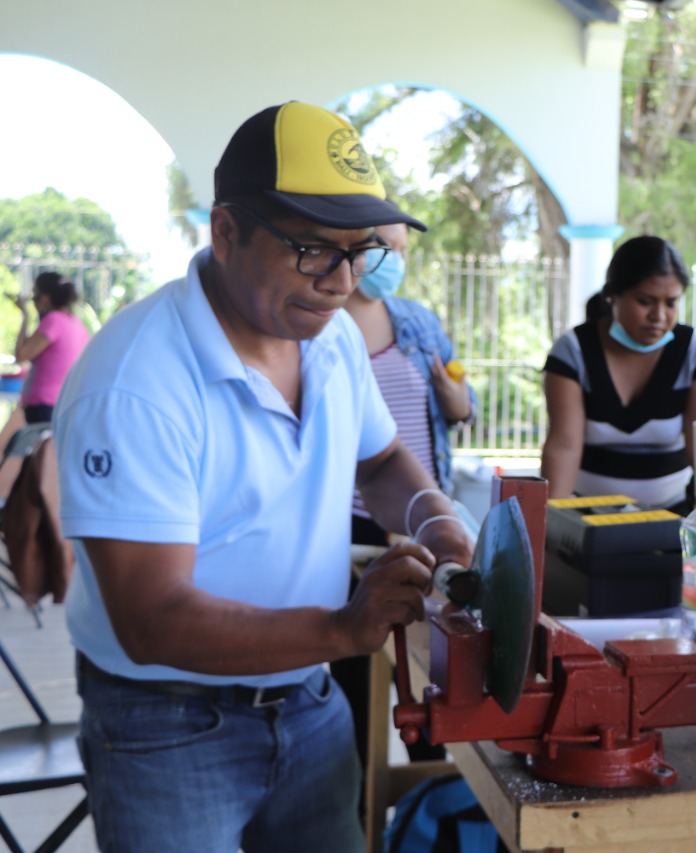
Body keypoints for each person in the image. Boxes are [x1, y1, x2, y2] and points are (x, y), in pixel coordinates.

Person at [53, 101, 473, 853]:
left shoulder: (331, 337)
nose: (342, 281)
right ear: (225, 231)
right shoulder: (137, 381)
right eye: (313, 250)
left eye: (359, 252)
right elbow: (151, 619)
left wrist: (436, 520)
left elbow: (377, 461)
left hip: (309, 703)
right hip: (167, 726)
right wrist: (345, 628)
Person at [540, 235, 696, 508]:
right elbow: (563, 446)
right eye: (645, 301)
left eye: (671, 303)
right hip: (588, 520)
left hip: (673, 517)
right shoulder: (573, 350)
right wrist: (554, 523)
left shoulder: (693, 350)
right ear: (612, 295)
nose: (659, 316)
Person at [343, 221, 475, 545]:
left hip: (422, 514)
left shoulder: (419, 321)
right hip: (348, 520)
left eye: (403, 251)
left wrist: (456, 400)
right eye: (387, 247)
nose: (396, 261)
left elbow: (463, 409)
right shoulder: (317, 327)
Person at [13, 271, 90, 424]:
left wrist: (25, 317)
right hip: (64, 402)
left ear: (45, 298)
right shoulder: (77, 324)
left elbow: (21, 355)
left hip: (43, 404)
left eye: (35, 297)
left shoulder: (53, 321)